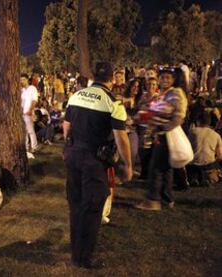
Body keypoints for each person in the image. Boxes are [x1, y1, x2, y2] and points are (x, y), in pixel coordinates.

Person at [63, 62, 132, 269]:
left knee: (76, 205)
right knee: (92, 208)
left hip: (73, 155)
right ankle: (83, 258)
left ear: (94, 76)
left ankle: (76, 249)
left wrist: (68, 150)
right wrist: (128, 165)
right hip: (94, 160)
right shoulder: (113, 102)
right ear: (111, 79)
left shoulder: (76, 96)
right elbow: (121, 138)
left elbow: (66, 127)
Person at [135, 67, 188, 211]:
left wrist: (160, 127)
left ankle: (153, 200)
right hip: (161, 134)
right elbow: (156, 111)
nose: (164, 80)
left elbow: (175, 116)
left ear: (174, 80)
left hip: (166, 135)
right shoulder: (166, 94)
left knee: (156, 168)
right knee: (166, 169)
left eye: (168, 78)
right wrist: (146, 115)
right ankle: (167, 198)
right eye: (162, 77)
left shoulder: (176, 94)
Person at [187, 112, 222, 186]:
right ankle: (208, 177)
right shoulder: (216, 135)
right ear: (209, 122)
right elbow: (220, 156)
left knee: (191, 166)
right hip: (209, 165)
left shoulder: (192, 132)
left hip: (193, 164)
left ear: (198, 121)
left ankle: (194, 178)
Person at [21, 73, 39, 153]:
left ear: (27, 80)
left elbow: (34, 100)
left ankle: (34, 147)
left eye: (23, 79)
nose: (22, 81)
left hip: (29, 113)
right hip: (22, 113)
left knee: (30, 130)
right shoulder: (22, 90)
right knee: (24, 131)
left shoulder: (32, 88)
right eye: (21, 80)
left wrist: (30, 110)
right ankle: (26, 147)